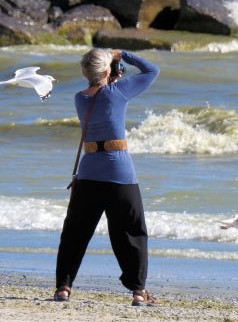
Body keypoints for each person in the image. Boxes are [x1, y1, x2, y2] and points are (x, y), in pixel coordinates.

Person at [54, 48, 160, 306]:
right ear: (106, 71)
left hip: (88, 173)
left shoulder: (80, 98)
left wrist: (109, 68)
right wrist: (122, 54)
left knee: (75, 233)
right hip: (119, 173)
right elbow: (152, 70)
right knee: (132, 233)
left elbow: (98, 95)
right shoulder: (118, 92)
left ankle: (63, 288)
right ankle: (137, 291)